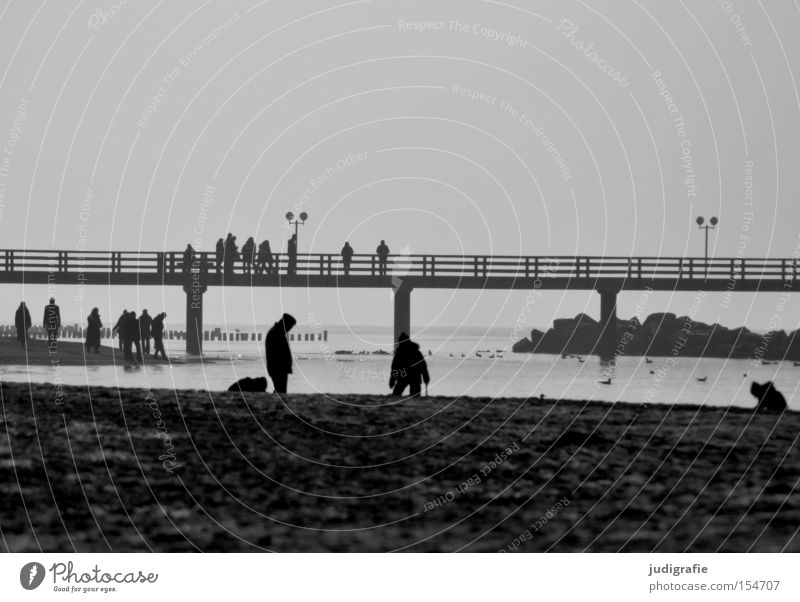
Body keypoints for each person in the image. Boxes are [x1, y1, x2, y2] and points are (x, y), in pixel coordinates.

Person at [389, 332, 430, 397]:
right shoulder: (416, 352)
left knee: (396, 394)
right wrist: (426, 378)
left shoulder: (400, 353)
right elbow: (423, 367)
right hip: (414, 376)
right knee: (415, 396)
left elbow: (395, 367)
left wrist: (392, 380)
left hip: (404, 376)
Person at [265, 313, 296, 393]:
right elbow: (277, 354)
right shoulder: (276, 333)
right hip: (278, 369)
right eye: (290, 326)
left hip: (279, 369)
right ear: (285, 324)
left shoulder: (277, 332)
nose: (290, 329)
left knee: (280, 390)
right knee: (280, 391)